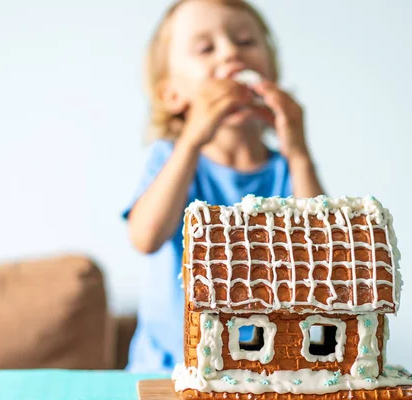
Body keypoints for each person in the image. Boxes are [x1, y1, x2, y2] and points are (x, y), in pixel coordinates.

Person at [121, 0, 324, 373]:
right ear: (172, 96)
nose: (232, 52)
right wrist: (192, 139)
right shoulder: (172, 159)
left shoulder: (286, 169)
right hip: (167, 368)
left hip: (263, 372)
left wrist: (298, 152)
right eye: (205, 48)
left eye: (245, 41)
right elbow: (145, 238)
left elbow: (321, 257)